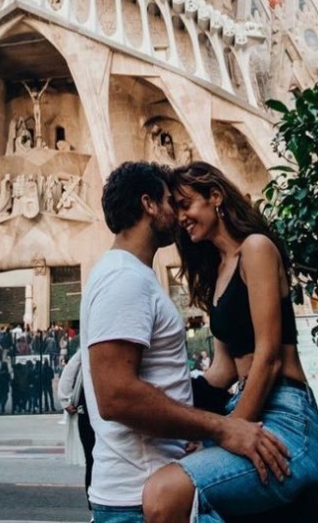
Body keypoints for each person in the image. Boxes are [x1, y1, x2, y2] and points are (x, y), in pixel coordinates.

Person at [80, 161, 290, 523]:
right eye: (170, 202)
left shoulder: (131, 277)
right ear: (149, 205)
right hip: (142, 496)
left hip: (156, 489)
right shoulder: (123, 279)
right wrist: (221, 428)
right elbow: (115, 395)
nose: (178, 215)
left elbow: (207, 376)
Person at [141, 161, 318, 522]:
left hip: (286, 418)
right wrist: (160, 396)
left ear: (215, 197)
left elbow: (269, 356)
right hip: (243, 411)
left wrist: (229, 430)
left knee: (164, 496)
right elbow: (222, 370)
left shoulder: (255, 249)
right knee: (161, 483)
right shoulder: (218, 272)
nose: (181, 216)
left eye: (186, 204)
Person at [57, 348, 95, 513]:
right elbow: (70, 369)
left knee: (93, 461)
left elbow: (70, 368)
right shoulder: (89, 349)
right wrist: (64, 398)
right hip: (88, 412)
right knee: (93, 461)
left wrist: (65, 399)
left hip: (88, 411)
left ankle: (94, 505)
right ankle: (94, 505)